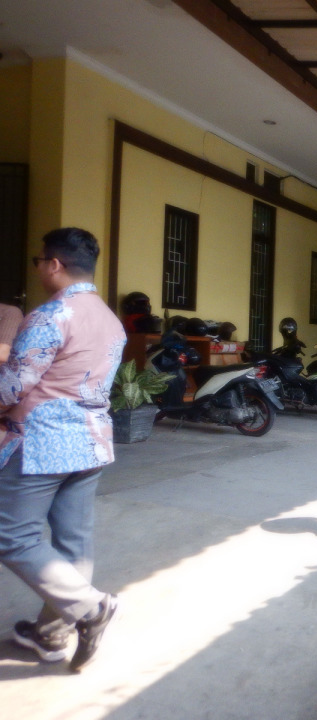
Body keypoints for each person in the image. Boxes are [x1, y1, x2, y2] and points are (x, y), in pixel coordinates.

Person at [0, 227, 126, 671]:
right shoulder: (110, 320)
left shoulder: (50, 316)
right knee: (74, 544)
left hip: (41, 444)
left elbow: (13, 387)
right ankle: (51, 636)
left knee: (11, 536)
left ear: (54, 264)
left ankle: (92, 609)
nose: (38, 268)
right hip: (90, 443)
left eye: (39, 261)